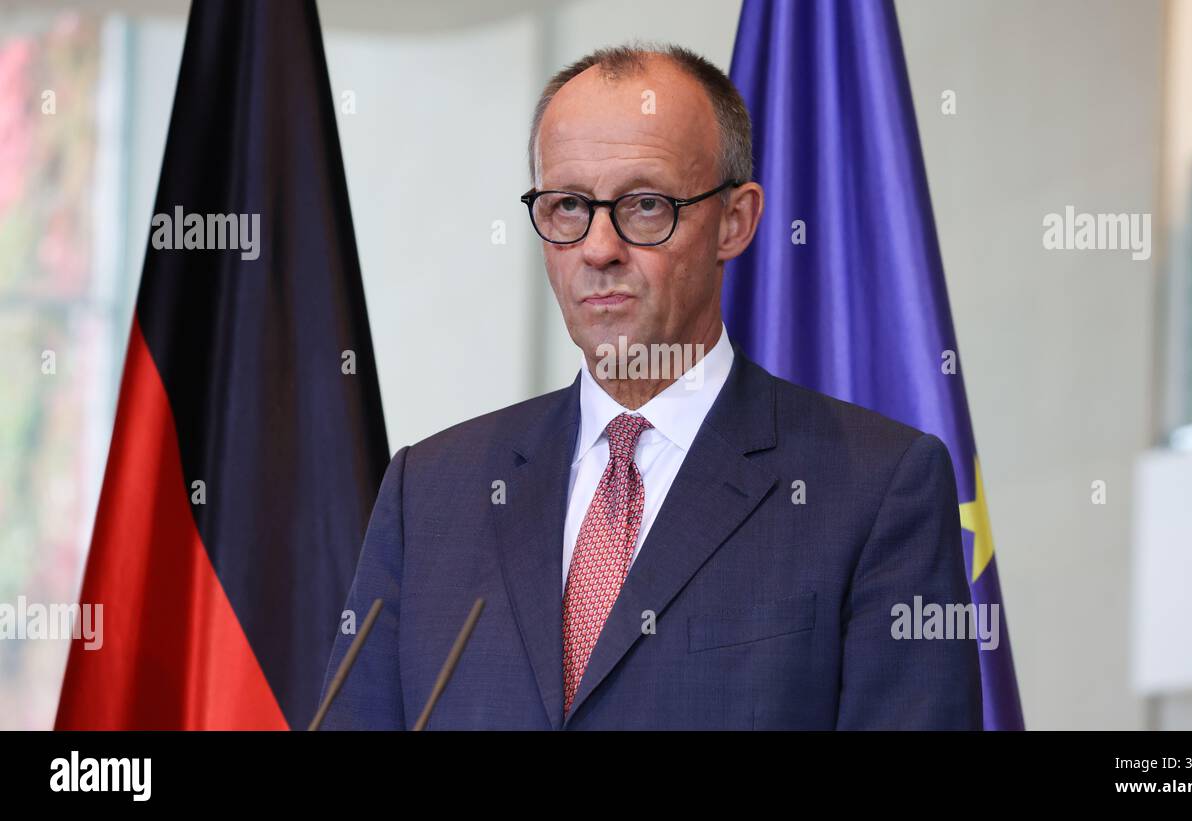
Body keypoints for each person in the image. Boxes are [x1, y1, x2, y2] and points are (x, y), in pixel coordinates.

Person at [320, 43, 981, 730]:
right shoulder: (429, 491)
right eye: (569, 205)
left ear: (736, 220)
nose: (599, 248)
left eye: (643, 205)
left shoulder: (876, 488)